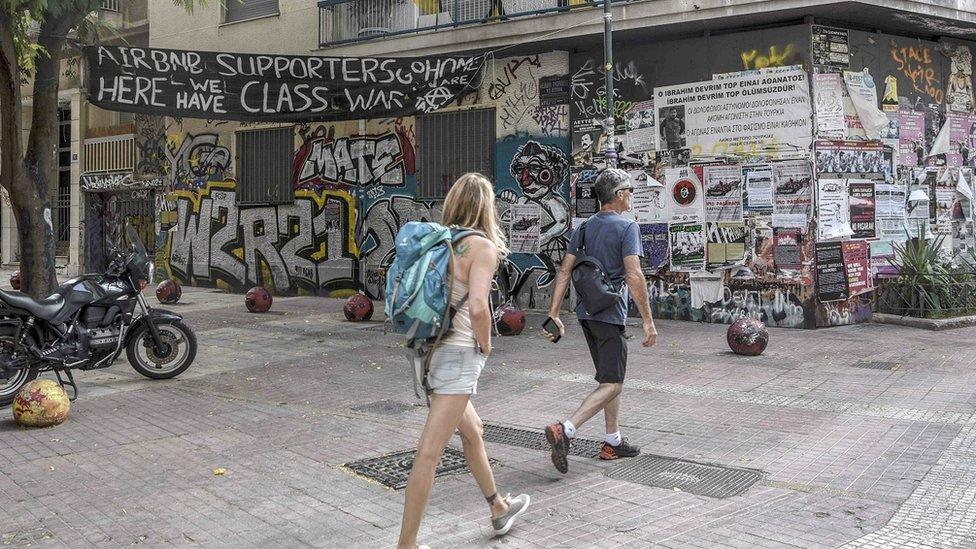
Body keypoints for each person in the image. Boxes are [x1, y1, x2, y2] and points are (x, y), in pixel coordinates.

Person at [397, 174, 530, 549]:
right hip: (457, 354)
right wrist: (486, 346)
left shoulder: (438, 242)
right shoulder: (481, 247)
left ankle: (498, 507)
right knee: (429, 452)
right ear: (486, 207)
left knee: (473, 431)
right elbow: (478, 307)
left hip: (428, 352)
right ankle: (406, 544)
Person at [541, 168, 658, 474]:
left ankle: (612, 440)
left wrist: (553, 313)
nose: (631, 196)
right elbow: (634, 275)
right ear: (619, 195)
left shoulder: (584, 227)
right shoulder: (627, 227)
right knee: (614, 382)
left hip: (586, 314)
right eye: (629, 191)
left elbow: (564, 271)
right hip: (609, 315)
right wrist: (648, 321)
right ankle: (565, 429)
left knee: (608, 379)